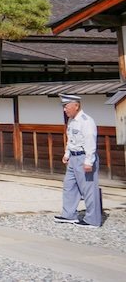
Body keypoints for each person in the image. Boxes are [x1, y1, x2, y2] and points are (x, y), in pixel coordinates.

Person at [54, 94, 102, 227]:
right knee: (69, 186)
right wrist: (67, 154)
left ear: (76, 105)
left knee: (89, 190)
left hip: (83, 157)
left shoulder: (86, 121)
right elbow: (71, 139)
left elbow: (90, 142)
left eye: (66, 106)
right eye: (64, 106)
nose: (65, 109)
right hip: (73, 158)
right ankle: (68, 215)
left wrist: (89, 161)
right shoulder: (71, 121)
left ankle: (93, 220)